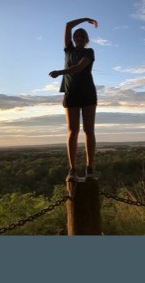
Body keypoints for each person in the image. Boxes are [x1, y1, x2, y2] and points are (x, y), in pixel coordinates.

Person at [49, 17, 99, 182]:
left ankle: (89, 168)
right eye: (76, 36)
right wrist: (86, 19)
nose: (78, 38)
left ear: (86, 40)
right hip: (71, 94)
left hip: (87, 94)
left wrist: (59, 72)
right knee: (73, 131)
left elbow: (79, 68)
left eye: (81, 36)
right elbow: (68, 25)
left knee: (89, 131)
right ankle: (72, 169)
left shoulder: (89, 52)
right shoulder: (68, 50)